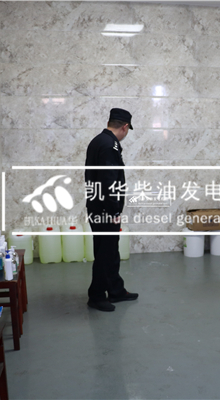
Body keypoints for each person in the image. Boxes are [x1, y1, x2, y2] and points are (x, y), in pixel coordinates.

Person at [84, 108, 138, 312]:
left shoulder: (100, 141)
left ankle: (116, 290)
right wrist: (114, 211)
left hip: (99, 207)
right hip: (105, 210)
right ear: (125, 126)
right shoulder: (109, 145)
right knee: (105, 253)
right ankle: (96, 295)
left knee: (111, 251)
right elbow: (108, 182)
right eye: (128, 130)